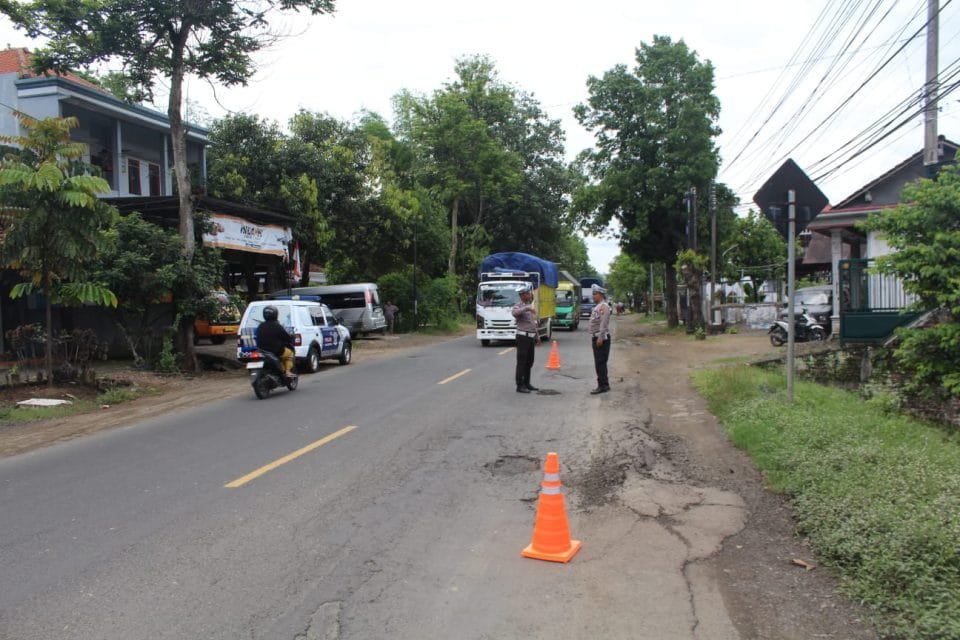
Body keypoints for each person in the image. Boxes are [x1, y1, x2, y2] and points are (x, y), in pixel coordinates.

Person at [511, 284, 540, 393]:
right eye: (528, 293)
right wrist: (526, 308)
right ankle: (520, 385)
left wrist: (537, 336)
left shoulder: (530, 306)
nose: (530, 295)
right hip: (522, 337)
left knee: (530, 361)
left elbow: (533, 323)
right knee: (521, 362)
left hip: (531, 338)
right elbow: (514, 313)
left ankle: (527, 383)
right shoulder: (519, 305)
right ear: (523, 295)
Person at [254, 305, 295, 378]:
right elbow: (286, 337)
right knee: (290, 354)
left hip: (261, 350)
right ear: (276, 314)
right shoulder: (277, 326)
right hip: (275, 351)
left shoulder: (261, 326)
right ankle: (288, 372)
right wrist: (290, 338)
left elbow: (256, 335)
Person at [588, 285, 612, 394]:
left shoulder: (603, 306)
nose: (593, 296)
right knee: (599, 363)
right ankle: (604, 384)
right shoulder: (598, 306)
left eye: (594, 294)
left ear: (600, 295)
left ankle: (602, 386)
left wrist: (600, 337)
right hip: (597, 337)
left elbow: (603, 323)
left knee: (600, 363)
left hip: (600, 338)